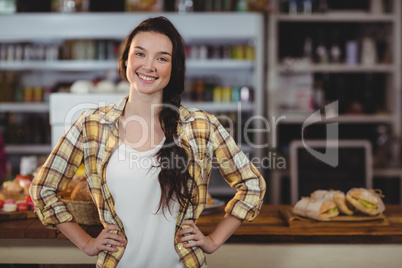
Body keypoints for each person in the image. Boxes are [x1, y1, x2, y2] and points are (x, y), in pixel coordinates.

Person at [30, 16, 266, 268]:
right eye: (140, 54)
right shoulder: (92, 125)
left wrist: (213, 241)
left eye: (162, 58)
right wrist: (86, 243)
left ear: (174, 68)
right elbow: (43, 189)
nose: (149, 66)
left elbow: (252, 185)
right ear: (125, 61)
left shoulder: (201, 126)